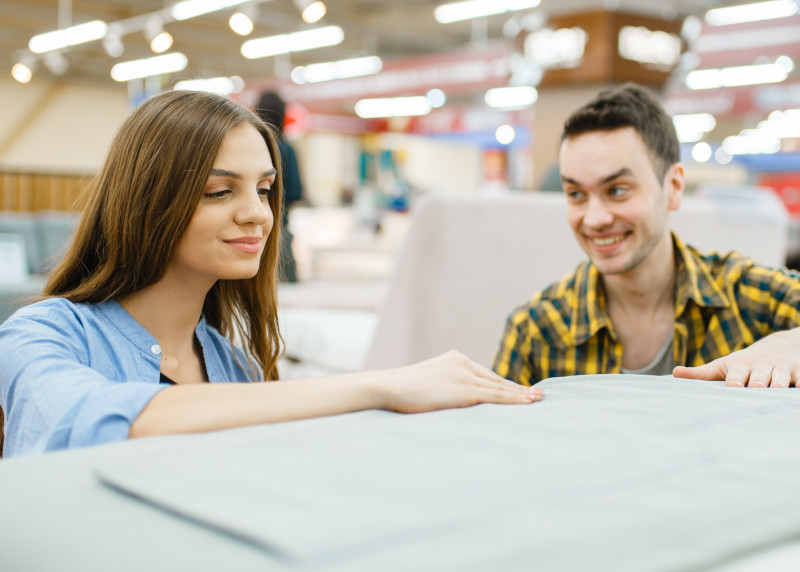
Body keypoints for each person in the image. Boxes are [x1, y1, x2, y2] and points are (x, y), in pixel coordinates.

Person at [0, 90, 542, 458]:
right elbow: (91, 420)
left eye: (263, 189)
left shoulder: (231, 364)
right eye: (220, 191)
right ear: (148, 201)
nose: (259, 213)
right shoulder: (42, 334)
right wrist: (379, 384)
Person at [493, 83, 800, 389]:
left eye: (617, 190)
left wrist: (792, 341)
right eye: (575, 194)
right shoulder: (536, 331)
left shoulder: (747, 296)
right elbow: (494, 432)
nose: (595, 218)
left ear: (674, 187)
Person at [255, 91, 302, 282]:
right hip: (279, 230)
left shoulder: (253, 148)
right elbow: (296, 192)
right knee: (286, 295)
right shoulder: (286, 150)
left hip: (252, 232)